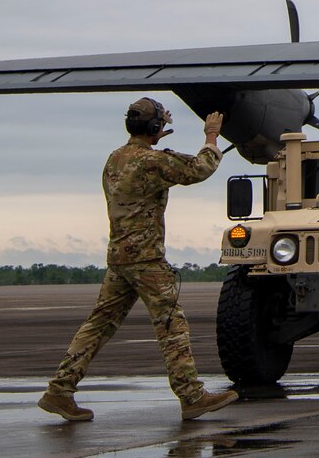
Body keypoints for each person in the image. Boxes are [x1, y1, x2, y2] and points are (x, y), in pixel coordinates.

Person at [38, 97, 238, 422]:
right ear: (156, 128)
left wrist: (157, 136)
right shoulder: (151, 162)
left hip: (119, 259)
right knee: (172, 325)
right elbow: (199, 169)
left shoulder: (115, 159)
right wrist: (212, 136)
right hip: (146, 261)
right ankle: (191, 395)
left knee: (97, 325)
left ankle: (60, 390)